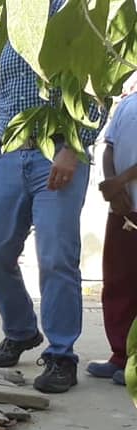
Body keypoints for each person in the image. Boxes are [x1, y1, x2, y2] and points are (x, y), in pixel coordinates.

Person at [0, 11, 108, 393]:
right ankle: (21, 330)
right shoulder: (2, 30)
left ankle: (61, 355)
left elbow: (97, 88)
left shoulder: (76, 14)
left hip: (59, 153)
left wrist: (75, 146)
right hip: (9, 156)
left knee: (55, 258)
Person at [86, 89, 137, 386]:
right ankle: (121, 354)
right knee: (118, 282)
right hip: (123, 208)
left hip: (126, 195)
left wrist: (120, 181)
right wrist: (112, 186)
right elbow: (109, 147)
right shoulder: (128, 102)